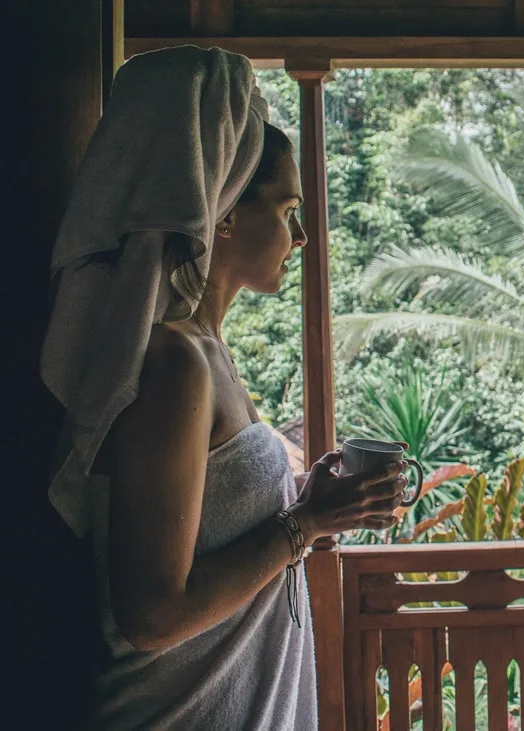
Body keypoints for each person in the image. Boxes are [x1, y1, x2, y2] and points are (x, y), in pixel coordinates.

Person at [40, 45, 408, 730]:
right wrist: (307, 525)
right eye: (288, 208)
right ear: (224, 212)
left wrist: (307, 501)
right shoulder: (174, 362)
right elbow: (151, 615)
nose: (300, 235)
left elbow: (205, 531)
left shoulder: (208, 352)